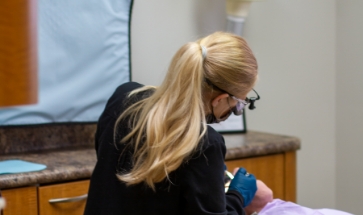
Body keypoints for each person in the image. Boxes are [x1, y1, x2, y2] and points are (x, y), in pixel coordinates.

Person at [84, 31, 260, 215]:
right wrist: (237, 196)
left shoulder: (124, 97)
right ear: (219, 99)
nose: (234, 111)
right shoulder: (205, 144)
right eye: (237, 104)